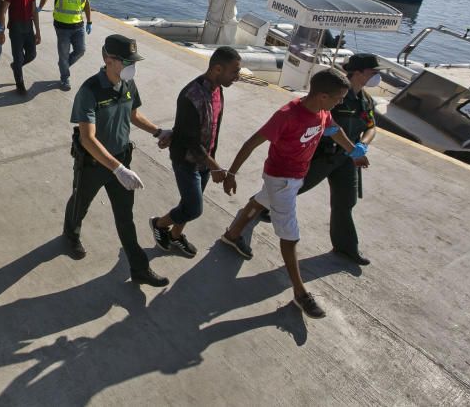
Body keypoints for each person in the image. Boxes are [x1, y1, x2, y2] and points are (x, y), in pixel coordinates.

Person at [220, 69, 361, 319]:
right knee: (290, 236)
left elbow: (334, 130)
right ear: (322, 95)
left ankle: (232, 235)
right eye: (338, 98)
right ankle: (300, 292)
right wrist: (231, 173)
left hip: (295, 179)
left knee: (261, 201)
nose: (341, 102)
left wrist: (354, 152)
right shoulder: (287, 116)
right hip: (280, 179)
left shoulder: (322, 111)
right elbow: (251, 143)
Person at [62, 35, 170, 287]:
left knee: (125, 217)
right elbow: (88, 139)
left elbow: (133, 114)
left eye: (133, 61)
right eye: (126, 62)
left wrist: (157, 131)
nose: (132, 67)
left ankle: (139, 268)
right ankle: (71, 233)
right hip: (93, 164)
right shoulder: (89, 91)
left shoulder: (128, 84)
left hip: (121, 159)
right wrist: (117, 168)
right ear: (107, 59)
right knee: (81, 201)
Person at [149, 46, 242, 257]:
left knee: (188, 202)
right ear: (217, 69)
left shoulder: (219, 91)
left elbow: (213, 129)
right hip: (187, 161)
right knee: (193, 208)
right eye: (234, 71)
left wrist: (212, 159)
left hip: (205, 160)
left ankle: (174, 237)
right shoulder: (191, 95)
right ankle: (159, 224)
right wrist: (215, 166)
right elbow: (189, 140)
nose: (237, 77)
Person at [298, 54, 380, 266]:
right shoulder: (335, 95)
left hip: (347, 159)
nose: (376, 76)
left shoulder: (366, 100)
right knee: (293, 187)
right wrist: (354, 150)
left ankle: (346, 247)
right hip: (323, 155)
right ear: (359, 72)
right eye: (373, 72)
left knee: (345, 202)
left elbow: (371, 126)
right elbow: (327, 123)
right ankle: (256, 210)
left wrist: (362, 146)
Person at [38, 0, 92, 91]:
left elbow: (87, 5)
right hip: (62, 27)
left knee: (81, 50)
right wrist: (40, 7)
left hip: (78, 25)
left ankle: (63, 64)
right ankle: (65, 78)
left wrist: (89, 21)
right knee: (63, 53)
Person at [0, 0, 41, 95]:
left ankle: (15, 66)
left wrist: (38, 32)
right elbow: (3, 9)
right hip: (16, 28)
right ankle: (20, 85)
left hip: (28, 27)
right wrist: (2, 30)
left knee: (32, 54)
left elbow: (34, 11)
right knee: (18, 58)